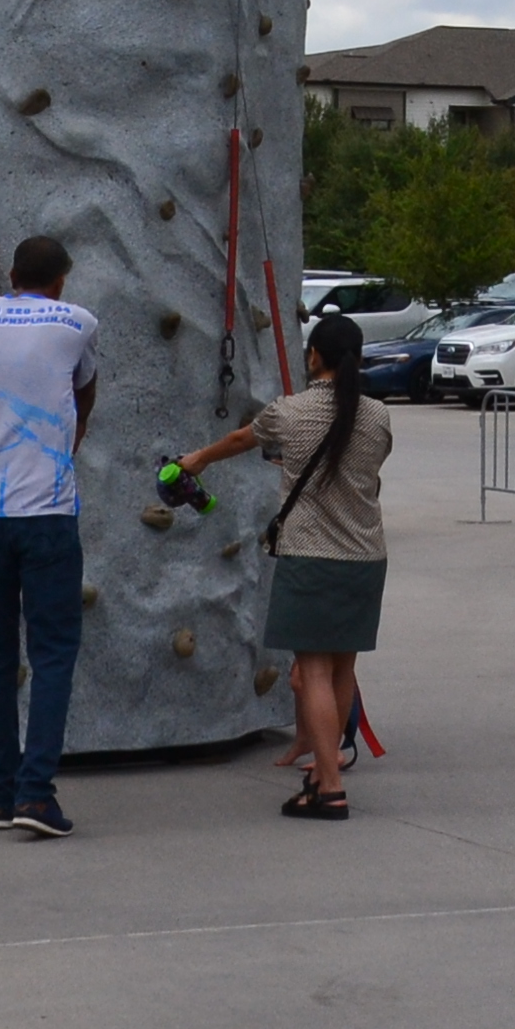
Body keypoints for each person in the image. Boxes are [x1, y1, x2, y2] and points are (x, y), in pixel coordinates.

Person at [167, 311, 389, 818]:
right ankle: (327, 765)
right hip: (365, 556)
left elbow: (242, 439)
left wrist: (197, 460)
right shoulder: (378, 415)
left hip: (311, 555)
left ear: (314, 357)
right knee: (342, 667)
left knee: (311, 669)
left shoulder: (289, 411)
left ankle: (329, 786)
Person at [0, 233, 96, 838]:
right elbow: (84, 392)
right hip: (46, 513)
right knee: (53, 655)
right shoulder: (78, 321)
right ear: (61, 281)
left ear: (10, 274)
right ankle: (36, 795)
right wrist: (66, 448)